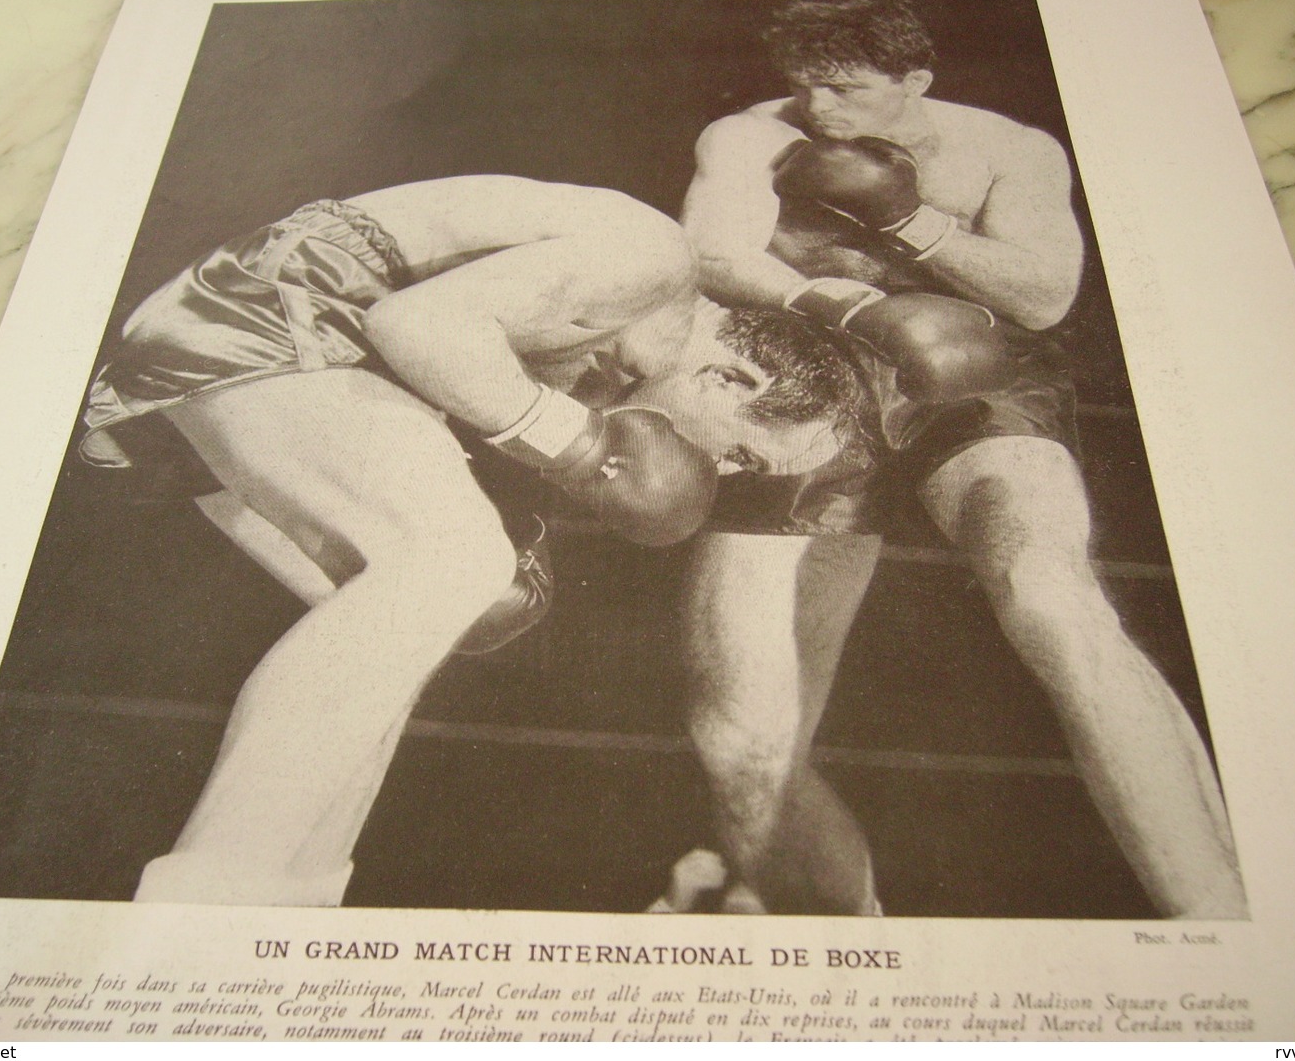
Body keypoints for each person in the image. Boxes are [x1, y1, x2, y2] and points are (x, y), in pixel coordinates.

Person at [79, 174, 862, 906]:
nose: (716, 473)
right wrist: (581, 450)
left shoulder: (612, 363)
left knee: (407, 626)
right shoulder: (650, 260)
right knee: (452, 564)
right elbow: (413, 323)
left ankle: (294, 895)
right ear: (732, 380)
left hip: (262, 360)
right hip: (271, 313)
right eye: (740, 453)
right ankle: (212, 887)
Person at [674, 0, 1246, 918]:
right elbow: (709, 250)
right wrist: (854, 308)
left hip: (977, 380)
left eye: (846, 86)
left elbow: (1049, 293)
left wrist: (913, 223)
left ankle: (1219, 917)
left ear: (916, 83)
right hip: (804, 386)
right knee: (740, 738)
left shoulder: (1010, 151)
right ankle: (850, 970)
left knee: (1052, 599)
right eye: (804, 83)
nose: (819, 109)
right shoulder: (749, 139)